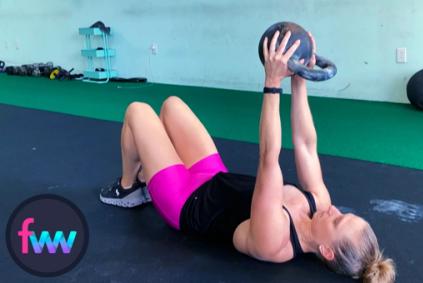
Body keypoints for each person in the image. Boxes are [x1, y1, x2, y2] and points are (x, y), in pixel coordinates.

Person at [100, 30, 395, 282]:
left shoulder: (275, 240)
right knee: (172, 105)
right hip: (214, 178)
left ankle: (129, 188)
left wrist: (272, 81)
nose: (334, 211)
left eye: (337, 222)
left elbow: (269, 156)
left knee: (138, 111)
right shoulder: (318, 204)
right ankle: (144, 175)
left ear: (327, 251)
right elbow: (306, 144)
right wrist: (300, 77)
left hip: (184, 202)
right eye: (345, 214)